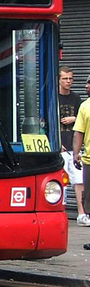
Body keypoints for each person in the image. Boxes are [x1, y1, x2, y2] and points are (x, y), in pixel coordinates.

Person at [58, 66, 86, 225]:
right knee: (61, 182)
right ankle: (61, 212)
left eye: (71, 78)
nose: (68, 81)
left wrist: (73, 119)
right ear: (59, 80)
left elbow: (82, 120)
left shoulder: (76, 98)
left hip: (73, 145)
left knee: (79, 180)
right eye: (65, 78)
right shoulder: (53, 97)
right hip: (60, 145)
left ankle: (81, 213)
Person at [71, 75, 90, 227]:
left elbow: (78, 133)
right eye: (86, 82)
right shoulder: (85, 106)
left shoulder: (85, 106)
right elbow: (79, 132)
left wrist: (76, 154)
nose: (86, 86)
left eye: (89, 83)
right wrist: (76, 154)